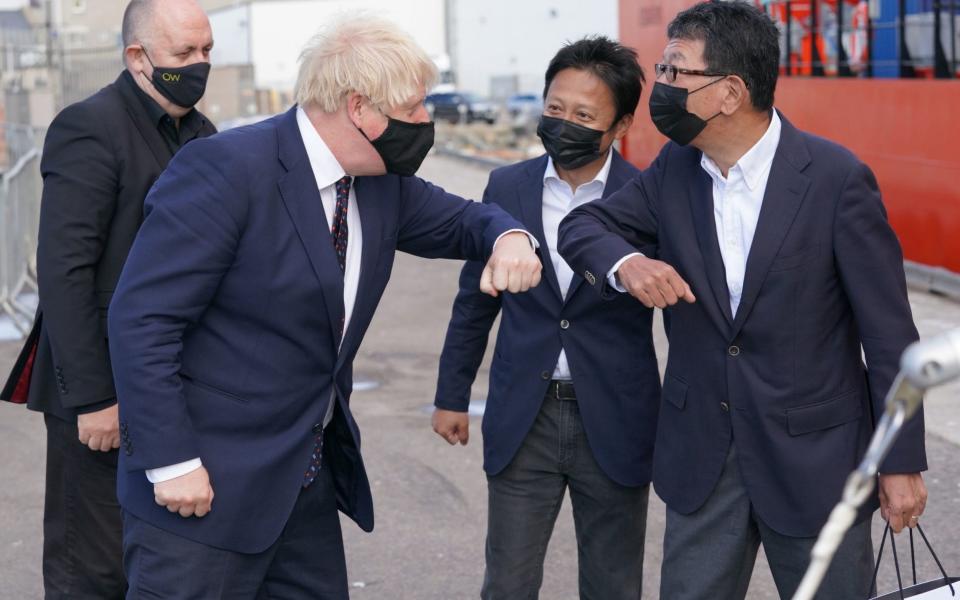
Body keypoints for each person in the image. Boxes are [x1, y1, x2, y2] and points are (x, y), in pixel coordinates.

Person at [106, 15, 542, 599]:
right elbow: (142, 321)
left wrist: (511, 238)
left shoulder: (379, 181)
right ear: (360, 107)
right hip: (201, 492)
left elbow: (467, 220)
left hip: (302, 489)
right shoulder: (227, 169)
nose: (424, 122)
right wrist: (171, 462)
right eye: (413, 108)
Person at [557, 2, 927, 598]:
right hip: (702, 458)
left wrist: (901, 460)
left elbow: (889, 335)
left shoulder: (835, 180)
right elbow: (582, 229)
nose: (662, 85)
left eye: (676, 71)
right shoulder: (673, 171)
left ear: (729, 91)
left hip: (817, 465)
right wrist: (629, 264)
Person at [0, 1, 215, 597]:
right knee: (90, 566)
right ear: (137, 57)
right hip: (99, 394)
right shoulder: (90, 126)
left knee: (154, 557)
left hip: (167, 383)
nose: (199, 65)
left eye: (206, 52)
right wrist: (94, 397)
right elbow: (65, 271)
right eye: (184, 54)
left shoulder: (200, 133)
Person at [432, 37, 658, 600]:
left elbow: (678, 311)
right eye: (555, 109)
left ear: (621, 122)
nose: (564, 124)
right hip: (522, 416)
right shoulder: (507, 187)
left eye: (584, 115)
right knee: (507, 582)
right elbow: (474, 300)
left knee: (613, 583)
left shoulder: (648, 197)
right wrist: (451, 395)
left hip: (615, 416)